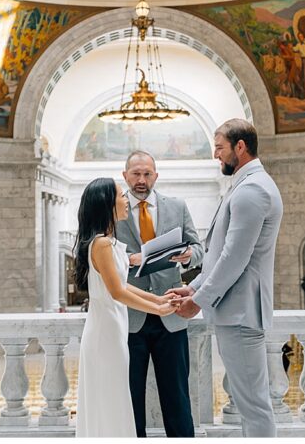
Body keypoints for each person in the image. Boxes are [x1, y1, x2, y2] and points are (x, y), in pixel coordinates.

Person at [170, 119, 283, 437]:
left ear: (240, 147)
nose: (215, 155)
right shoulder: (245, 186)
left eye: (220, 147)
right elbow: (221, 255)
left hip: (242, 313)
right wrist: (192, 286)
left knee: (255, 407)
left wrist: (198, 301)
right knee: (250, 406)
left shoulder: (253, 190)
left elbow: (235, 258)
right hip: (236, 311)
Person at [74, 177, 177, 438]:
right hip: (104, 333)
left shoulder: (109, 243)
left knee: (116, 396)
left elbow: (123, 286)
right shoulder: (101, 244)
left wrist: (159, 300)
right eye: (120, 196)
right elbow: (118, 291)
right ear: (107, 204)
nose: (125, 199)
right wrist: (158, 310)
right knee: (109, 398)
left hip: (114, 327)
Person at [116, 151, 204, 437]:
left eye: (147, 174)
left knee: (177, 396)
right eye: (136, 174)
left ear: (156, 175)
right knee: (130, 399)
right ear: (125, 175)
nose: (141, 180)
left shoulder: (177, 206)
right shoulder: (112, 209)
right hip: (130, 318)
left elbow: (199, 249)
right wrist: (128, 260)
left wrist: (190, 255)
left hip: (171, 313)